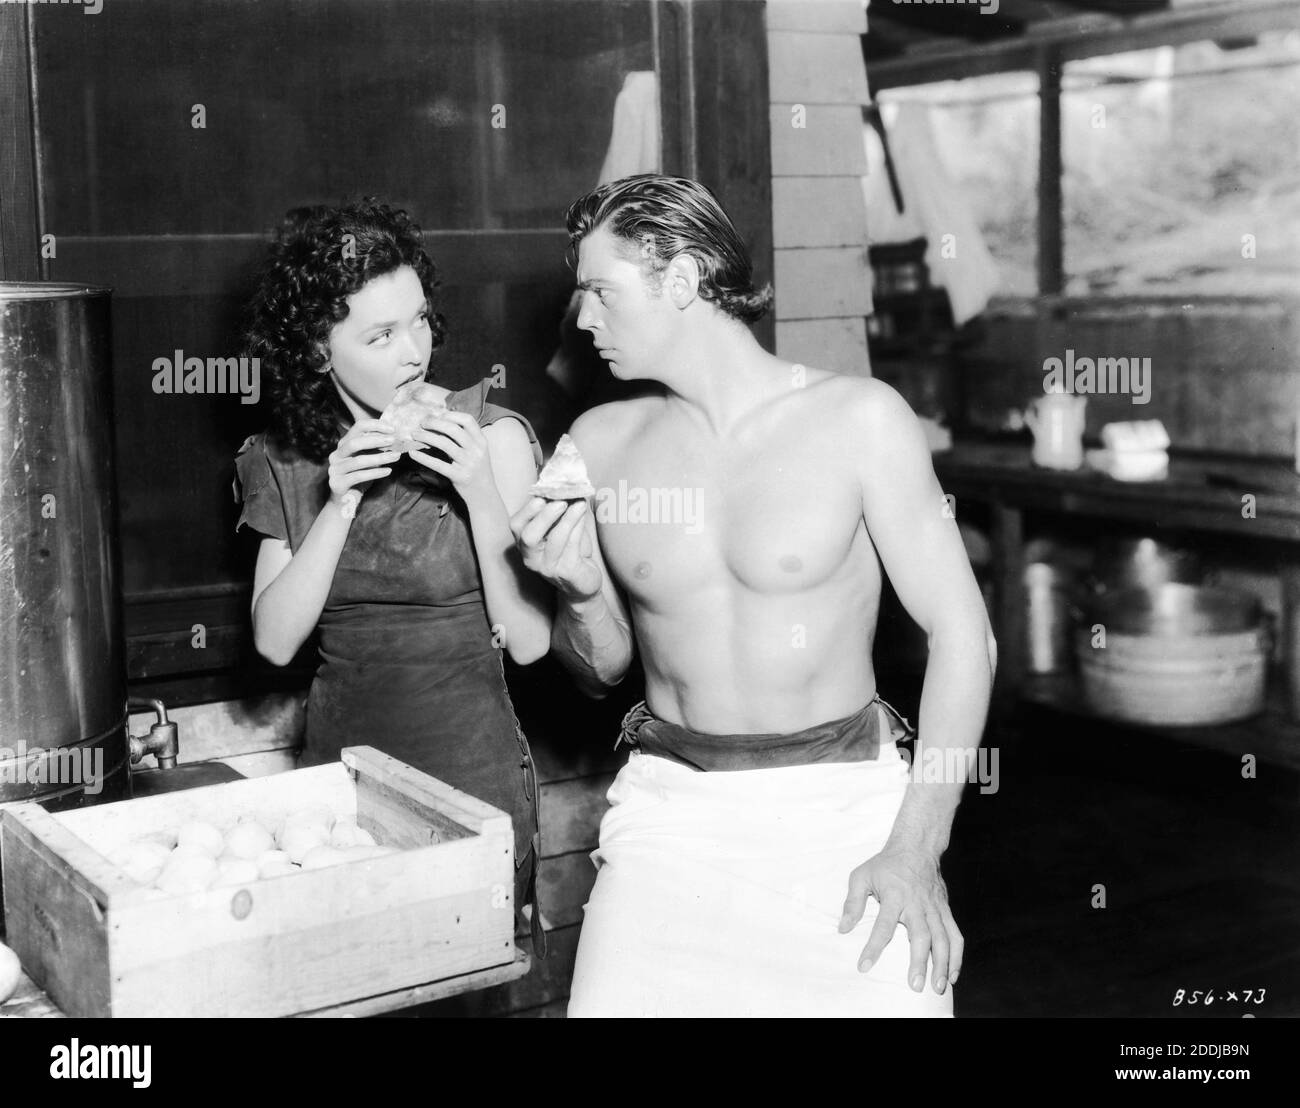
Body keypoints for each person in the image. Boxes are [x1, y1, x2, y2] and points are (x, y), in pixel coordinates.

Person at [511, 175, 996, 1016]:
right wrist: (582, 592)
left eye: (599, 291)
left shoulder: (860, 420)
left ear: (684, 279)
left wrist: (916, 847)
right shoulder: (598, 444)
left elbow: (966, 640)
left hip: (845, 814)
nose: (582, 320)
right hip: (672, 819)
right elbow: (600, 669)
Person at [233, 200, 552, 941]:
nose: (414, 352)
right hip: (339, 795)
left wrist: (478, 491)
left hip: (474, 785)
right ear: (319, 349)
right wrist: (339, 501)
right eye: (380, 334)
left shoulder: (494, 436)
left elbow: (531, 641)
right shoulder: (280, 460)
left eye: (420, 320)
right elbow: (276, 641)